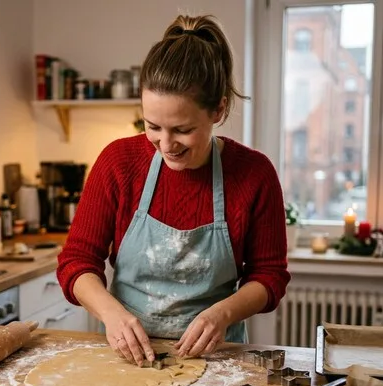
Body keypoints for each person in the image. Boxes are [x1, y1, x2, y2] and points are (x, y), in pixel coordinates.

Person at [56, 14, 291, 366]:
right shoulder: (118, 163)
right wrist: (112, 315)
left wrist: (222, 314)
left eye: (182, 129)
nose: (166, 145)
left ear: (219, 110)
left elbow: (269, 275)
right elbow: (76, 262)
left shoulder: (254, 174)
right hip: (127, 357)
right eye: (153, 126)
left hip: (218, 360)